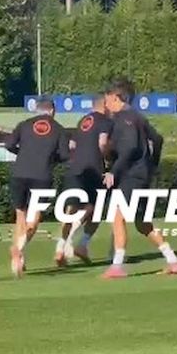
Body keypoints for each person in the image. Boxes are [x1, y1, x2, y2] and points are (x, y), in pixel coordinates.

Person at [101, 79, 177, 278]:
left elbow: (129, 148)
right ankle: (173, 261)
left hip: (131, 175)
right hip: (141, 174)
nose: (106, 104)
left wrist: (114, 171)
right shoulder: (138, 117)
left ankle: (117, 266)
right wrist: (152, 164)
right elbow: (158, 139)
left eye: (107, 99)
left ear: (116, 98)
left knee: (117, 215)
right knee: (142, 222)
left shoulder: (124, 118)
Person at [6, 97, 70, 277]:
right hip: (42, 175)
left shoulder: (24, 124)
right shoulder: (59, 129)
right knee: (34, 217)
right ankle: (18, 248)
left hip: (19, 173)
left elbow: (9, 144)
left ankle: (18, 260)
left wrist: (22, 153)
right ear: (52, 111)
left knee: (20, 214)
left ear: (37, 109)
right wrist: (50, 159)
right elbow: (65, 155)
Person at [54, 95, 113, 266]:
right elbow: (102, 143)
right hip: (93, 170)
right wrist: (108, 158)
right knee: (95, 208)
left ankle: (60, 247)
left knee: (71, 208)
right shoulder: (105, 121)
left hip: (75, 168)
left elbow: (72, 145)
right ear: (105, 105)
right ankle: (80, 243)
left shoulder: (82, 121)